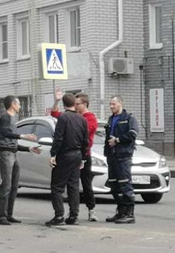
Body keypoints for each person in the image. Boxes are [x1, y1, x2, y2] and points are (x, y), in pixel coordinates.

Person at [0, 95, 39, 225]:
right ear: (13, 104)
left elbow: (13, 143)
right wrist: (24, 136)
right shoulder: (5, 118)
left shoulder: (12, 120)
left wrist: (29, 149)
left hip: (12, 154)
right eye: (19, 104)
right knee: (6, 185)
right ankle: (1, 216)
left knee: (14, 186)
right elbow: (7, 134)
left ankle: (9, 214)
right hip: (6, 155)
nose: (20, 106)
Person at [47, 93, 88, 226]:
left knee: (57, 187)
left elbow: (58, 138)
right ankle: (74, 216)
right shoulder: (82, 120)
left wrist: (53, 154)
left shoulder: (63, 118)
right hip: (77, 155)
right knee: (73, 186)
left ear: (64, 104)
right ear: (74, 104)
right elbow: (85, 141)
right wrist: (82, 157)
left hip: (65, 155)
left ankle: (59, 216)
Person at [104, 95, 139, 224]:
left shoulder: (129, 118)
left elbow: (133, 134)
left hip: (123, 156)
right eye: (110, 104)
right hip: (112, 156)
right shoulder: (110, 119)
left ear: (120, 104)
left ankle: (130, 213)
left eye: (113, 104)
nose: (111, 106)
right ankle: (120, 211)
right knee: (114, 185)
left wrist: (117, 140)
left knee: (125, 184)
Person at [74, 92, 99, 221]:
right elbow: (55, 114)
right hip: (73, 154)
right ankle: (73, 212)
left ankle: (91, 210)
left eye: (77, 104)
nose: (75, 106)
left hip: (84, 154)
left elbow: (84, 132)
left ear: (84, 104)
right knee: (72, 184)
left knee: (86, 183)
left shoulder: (90, 118)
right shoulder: (74, 116)